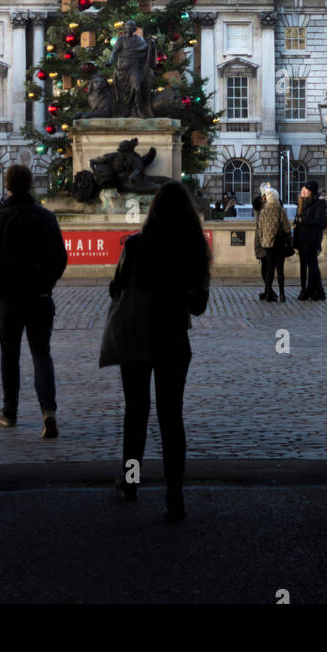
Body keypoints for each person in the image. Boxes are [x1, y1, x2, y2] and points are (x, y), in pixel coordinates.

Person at [105, 180, 211, 521]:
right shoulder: (194, 247)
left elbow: (114, 289)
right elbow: (199, 306)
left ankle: (132, 482)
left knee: (135, 415)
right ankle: (174, 495)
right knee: (171, 418)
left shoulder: (136, 245)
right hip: (173, 338)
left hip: (138, 334)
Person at [0, 163, 68, 437]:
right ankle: (48, 411)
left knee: (10, 355)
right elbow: (60, 258)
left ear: (7, 186)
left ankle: (10, 411)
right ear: (31, 185)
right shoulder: (45, 216)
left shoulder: (0, 218)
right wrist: (47, 285)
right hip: (40, 296)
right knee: (41, 354)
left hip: (10, 298)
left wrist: (0, 295)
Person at [254, 185, 292, 302]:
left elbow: (260, 229)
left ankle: (268, 293)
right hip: (279, 243)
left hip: (268, 244)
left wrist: (264, 239)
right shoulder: (280, 209)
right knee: (280, 270)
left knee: (269, 269)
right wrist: (289, 240)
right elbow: (287, 227)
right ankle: (282, 294)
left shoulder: (263, 211)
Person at [294, 181, 327, 301]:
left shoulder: (319, 203)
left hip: (312, 238)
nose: (303, 192)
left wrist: (303, 221)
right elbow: (297, 220)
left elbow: (318, 222)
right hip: (302, 238)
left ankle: (310, 290)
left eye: (306, 190)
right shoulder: (302, 203)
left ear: (312, 191)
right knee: (308, 265)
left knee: (312, 265)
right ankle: (317, 291)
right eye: (302, 189)